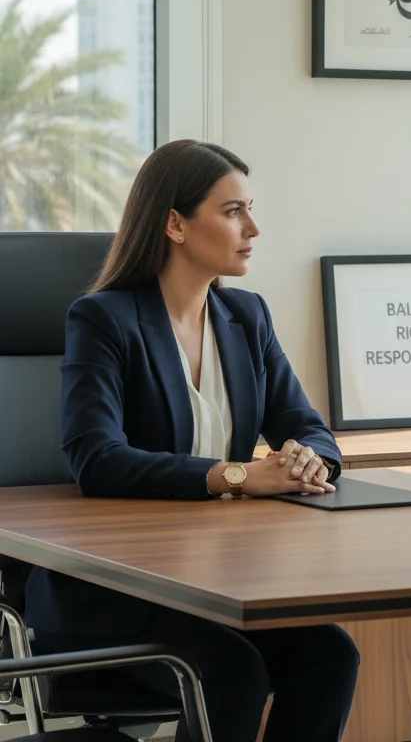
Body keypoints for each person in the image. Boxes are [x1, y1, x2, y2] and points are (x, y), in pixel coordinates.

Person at [25, 140, 359, 742]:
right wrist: (237, 475)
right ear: (175, 224)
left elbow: (308, 426)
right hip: (113, 591)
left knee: (330, 655)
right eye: (232, 212)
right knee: (231, 672)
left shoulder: (247, 317)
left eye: (250, 209)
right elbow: (96, 459)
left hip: (216, 584)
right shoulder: (103, 319)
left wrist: (311, 460)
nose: (252, 228)